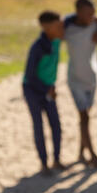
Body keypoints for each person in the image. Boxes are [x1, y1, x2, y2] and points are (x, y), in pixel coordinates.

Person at [23, 11, 65, 174]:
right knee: (39, 126)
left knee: (56, 125)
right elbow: (30, 75)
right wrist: (48, 90)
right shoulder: (38, 48)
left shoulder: (55, 40)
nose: (62, 28)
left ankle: (57, 159)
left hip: (49, 89)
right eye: (58, 26)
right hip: (33, 90)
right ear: (46, 27)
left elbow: (69, 18)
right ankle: (44, 164)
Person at [64, 0, 97, 167]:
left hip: (92, 78)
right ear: (78, 12)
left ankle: (81, 152)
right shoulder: (67, 27)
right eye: (88, 13)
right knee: (84, 116)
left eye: (93, 14)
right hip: (75, 80)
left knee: (85, 118)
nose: (91, 17)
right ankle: (93, 156)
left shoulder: (96, 25)